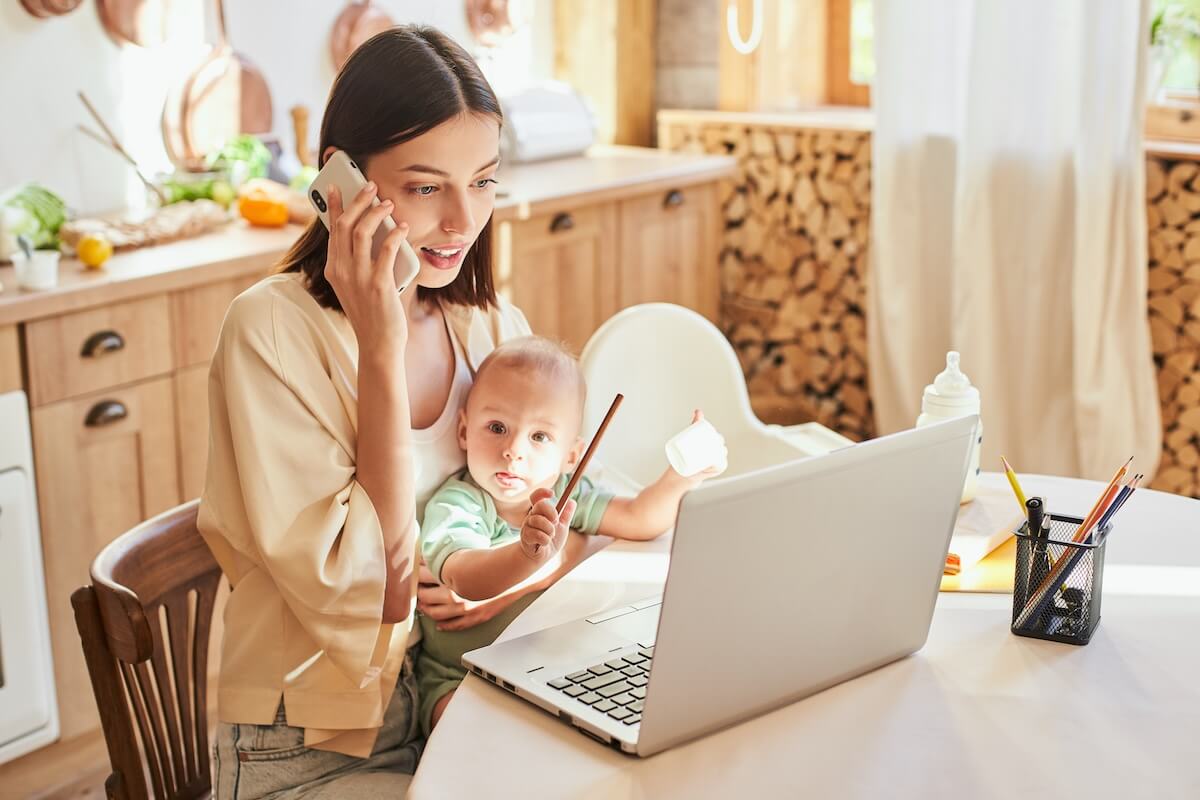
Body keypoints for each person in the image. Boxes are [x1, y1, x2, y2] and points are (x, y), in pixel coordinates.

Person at [198, 26, 589, 799]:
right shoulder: (269, 332)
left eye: (482, 181)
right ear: (340, 181)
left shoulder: (486, 325)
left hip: (467, 689)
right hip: (315, 741)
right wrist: (378, 344)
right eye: (423, 187)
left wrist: (506, 577)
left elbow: (564, 526)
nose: (461, 219)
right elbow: (374, 589)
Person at [416, 336, 725, 734]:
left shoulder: (567, 494)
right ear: (463, 430)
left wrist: (682, 477)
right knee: (473, 731)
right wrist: (527, 557)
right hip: (456, 675)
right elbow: (464, 577)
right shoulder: (459, 503)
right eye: (496, 427)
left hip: (545, 671)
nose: (513, 450)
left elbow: (639, 518)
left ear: (572, 457)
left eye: (539, 437)